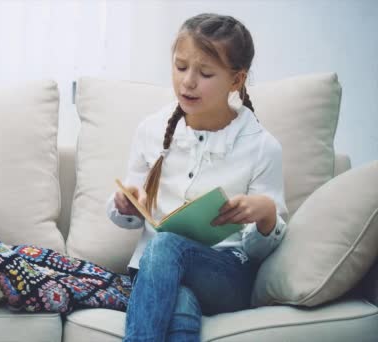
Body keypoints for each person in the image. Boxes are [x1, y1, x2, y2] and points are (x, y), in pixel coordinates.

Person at [107, 13, 289, 342]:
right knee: (179, 303)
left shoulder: (262, 147)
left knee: (165, 245)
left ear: (236, 80)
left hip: (225, 274)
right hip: (153, 272)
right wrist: (124, 204)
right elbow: (128, 213)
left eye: (205, 73)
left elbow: (260, 250)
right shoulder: (151, 130)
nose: (188, 82)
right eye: (180, 67)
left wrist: (266, 213)